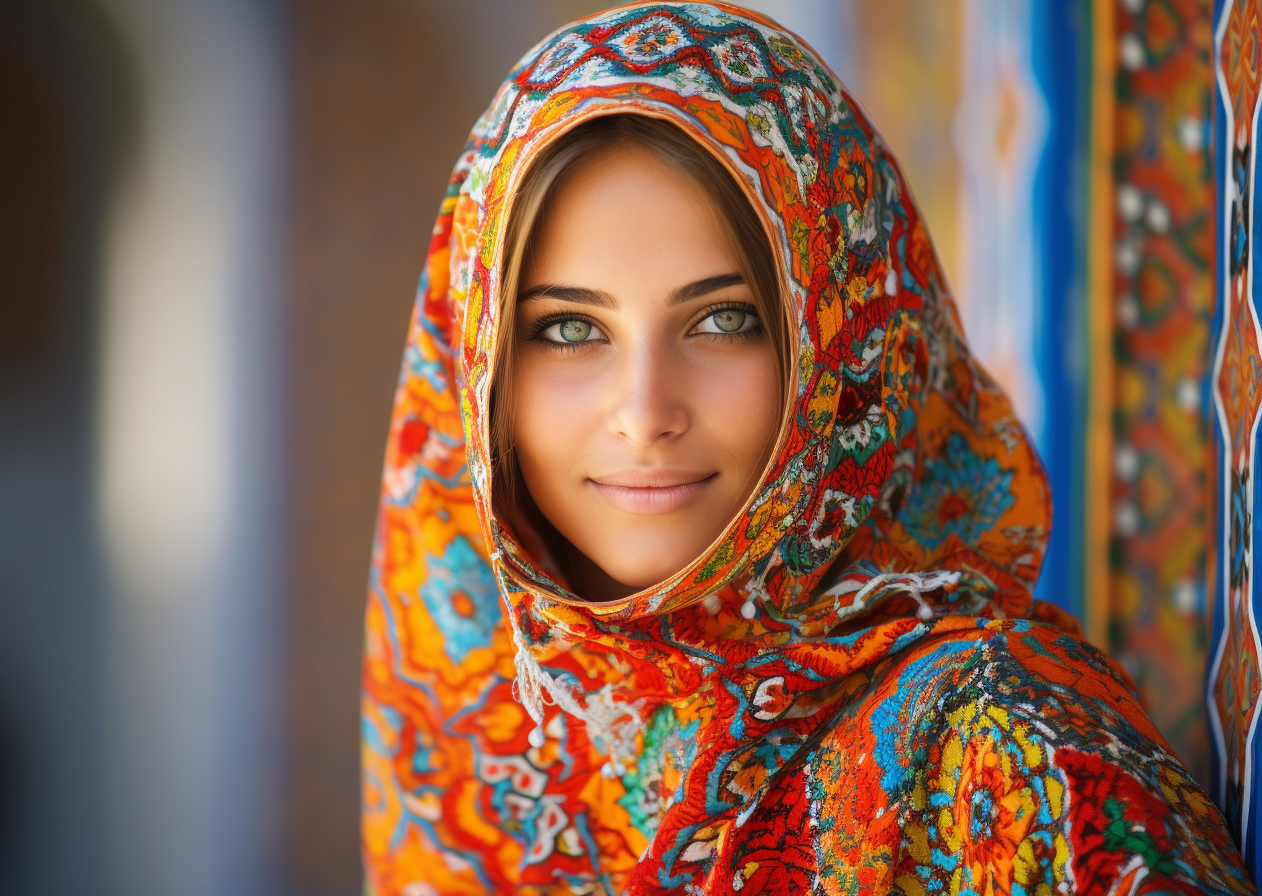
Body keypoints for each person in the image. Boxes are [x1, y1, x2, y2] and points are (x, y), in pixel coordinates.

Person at [362, 3, 1254, 893]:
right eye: (566, 329)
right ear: (476, 368)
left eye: (723, 320)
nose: (644, 412)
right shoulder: (483, 738)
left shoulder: (1000, 754)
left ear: (846, 343)